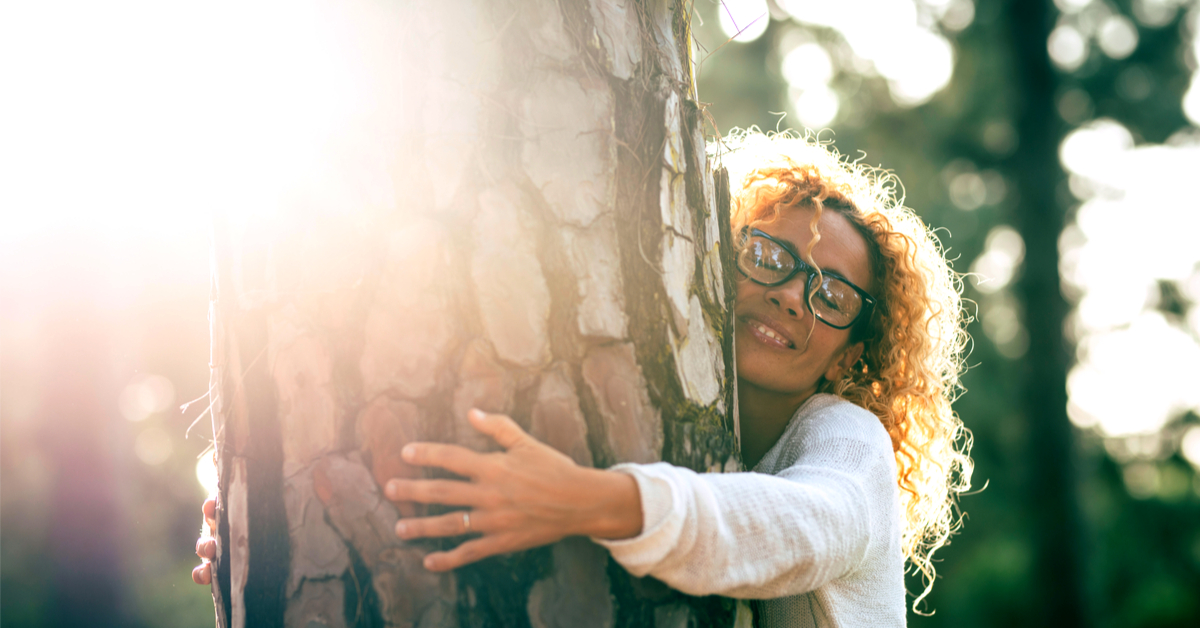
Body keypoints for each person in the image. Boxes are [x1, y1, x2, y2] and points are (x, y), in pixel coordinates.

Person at [193, 129, 972, 626]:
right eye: (769, 256)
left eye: (833, 296)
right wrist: (272, 521)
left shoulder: (847, 441)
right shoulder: (688, 411)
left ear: (851, 353)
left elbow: (803, 527)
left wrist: (583, 499)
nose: (793, 296)